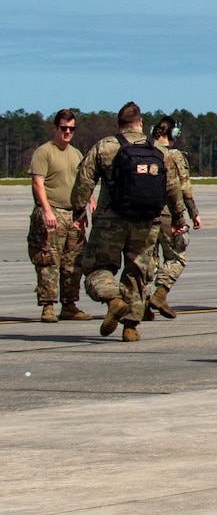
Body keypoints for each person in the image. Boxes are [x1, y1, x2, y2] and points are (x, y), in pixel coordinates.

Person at [70, 103, 170, 342]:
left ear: (118, 124)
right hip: (146, 222)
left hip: (110, 221)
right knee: (137, 272)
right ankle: (130, 327)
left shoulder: (105, 147)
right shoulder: (159, 149)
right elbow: (173, 188)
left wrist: (77, 211)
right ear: (141, 123)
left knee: (96, 266)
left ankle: (113, 299)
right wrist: (177, 216)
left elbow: (84, 181)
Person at [28, 109, 89, 322]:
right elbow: (38, 183)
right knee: (49, 261)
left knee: (73, 262)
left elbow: (83, 182)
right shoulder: (44, 152)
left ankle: (69, 305)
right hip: (52, 212)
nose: (67, 132)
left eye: (71, 129)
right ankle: (47, 306)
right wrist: (46, 211)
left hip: (73, 215)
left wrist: (87, 206)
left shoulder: (76, 154)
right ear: (55, 128)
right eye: (64, 128)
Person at [144, 117, 201, 320]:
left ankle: (141, 305)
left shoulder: (142, 151)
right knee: (177, 256)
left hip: (143, 214)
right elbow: (184, 188)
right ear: (173, 134)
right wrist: (193, 214)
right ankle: (160, 294)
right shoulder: (173, 155)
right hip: (167, 214)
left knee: (147, 260)